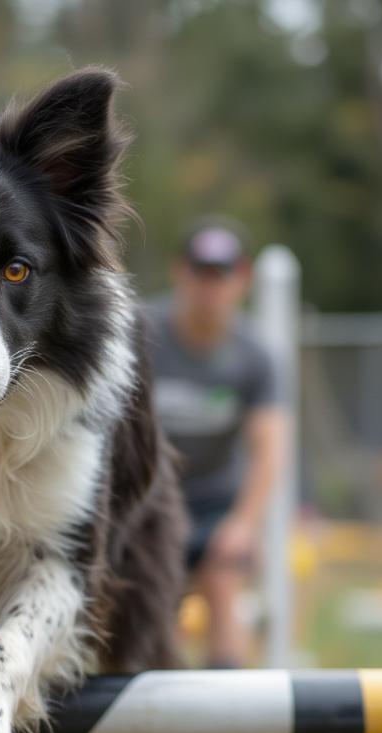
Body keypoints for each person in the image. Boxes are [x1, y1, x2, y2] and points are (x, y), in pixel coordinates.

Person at [147, 219, 286, 668]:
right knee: (152, 597)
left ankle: (228, 706)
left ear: (240, 280)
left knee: (225, 577)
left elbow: (270, 448)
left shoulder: (255, 354)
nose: (210, 288)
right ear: (180, 273)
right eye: (200, 273)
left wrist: (245, 524)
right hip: (151, 501)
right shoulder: (140, 336)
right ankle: (154, 714)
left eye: (220, 276)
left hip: (216, 505)